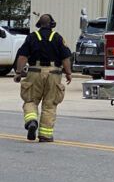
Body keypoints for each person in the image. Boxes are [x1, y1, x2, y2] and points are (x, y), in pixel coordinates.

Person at [13, 14, 72, 142]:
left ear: (39, 25)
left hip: (35, 72)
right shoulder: (58, 38)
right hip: (54, 74)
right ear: (52, 24)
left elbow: (22, 56)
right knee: (50, 105)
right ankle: (45, 135)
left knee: (30, 100)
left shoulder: (32, 37)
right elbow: (65, 58)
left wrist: (18, 72)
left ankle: (31, 120)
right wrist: (68, 73)